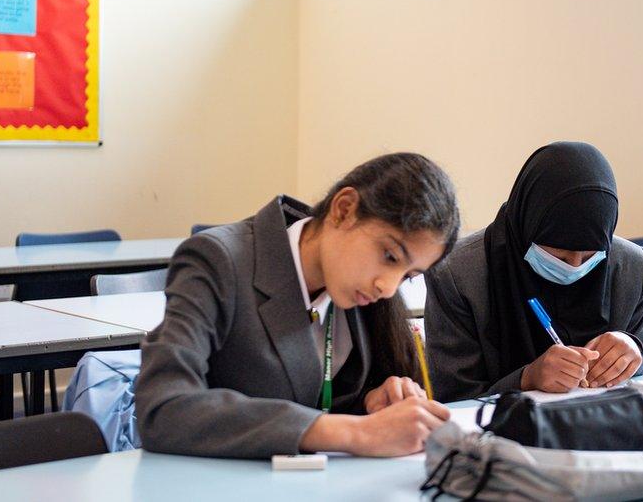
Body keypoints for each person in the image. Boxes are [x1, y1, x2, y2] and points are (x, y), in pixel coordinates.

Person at [136, 153, 460, 458]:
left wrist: (370, 404)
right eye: (389, 256)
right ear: (344, 210)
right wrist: (352, 431)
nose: (388, 287)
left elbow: (321, 396)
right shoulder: (218, 260)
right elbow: (163, 408)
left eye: (408, 276)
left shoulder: (359, 291)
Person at [425, 142, 643, 402]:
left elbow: (641, 387)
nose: (575, 267)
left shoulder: (634, 267)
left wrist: (630, 351)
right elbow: (453, 397)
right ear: (527, 226)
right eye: (558, 256)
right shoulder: (458, 273)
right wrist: (526, 378)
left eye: (590, 256)